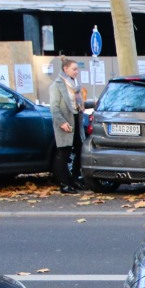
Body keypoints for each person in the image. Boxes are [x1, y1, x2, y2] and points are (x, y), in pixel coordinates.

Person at [49, 57, 83, 194]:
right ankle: (64, 183)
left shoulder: (75, 84)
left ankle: (74, 178)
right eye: (74, 69)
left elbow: (77, 104)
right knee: (64, 152)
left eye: (77, 69)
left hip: (76, 120)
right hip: (65, 121)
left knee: (80, 148)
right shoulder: (57, 85)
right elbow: (54, 108)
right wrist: (62, 122)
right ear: (65, 69)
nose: (77, 72)